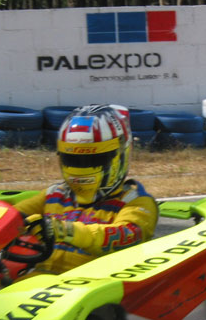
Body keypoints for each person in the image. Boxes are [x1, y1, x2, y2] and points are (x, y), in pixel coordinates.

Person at [15, 104, 158, 275]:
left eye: (93, 160)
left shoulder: (136, 202)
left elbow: (125, 236)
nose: (81, 168)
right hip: (36, 283)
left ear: (120, 155)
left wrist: (63, 230)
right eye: (73, 159)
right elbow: (11, 216)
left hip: (95, 286)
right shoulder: (55, 194)